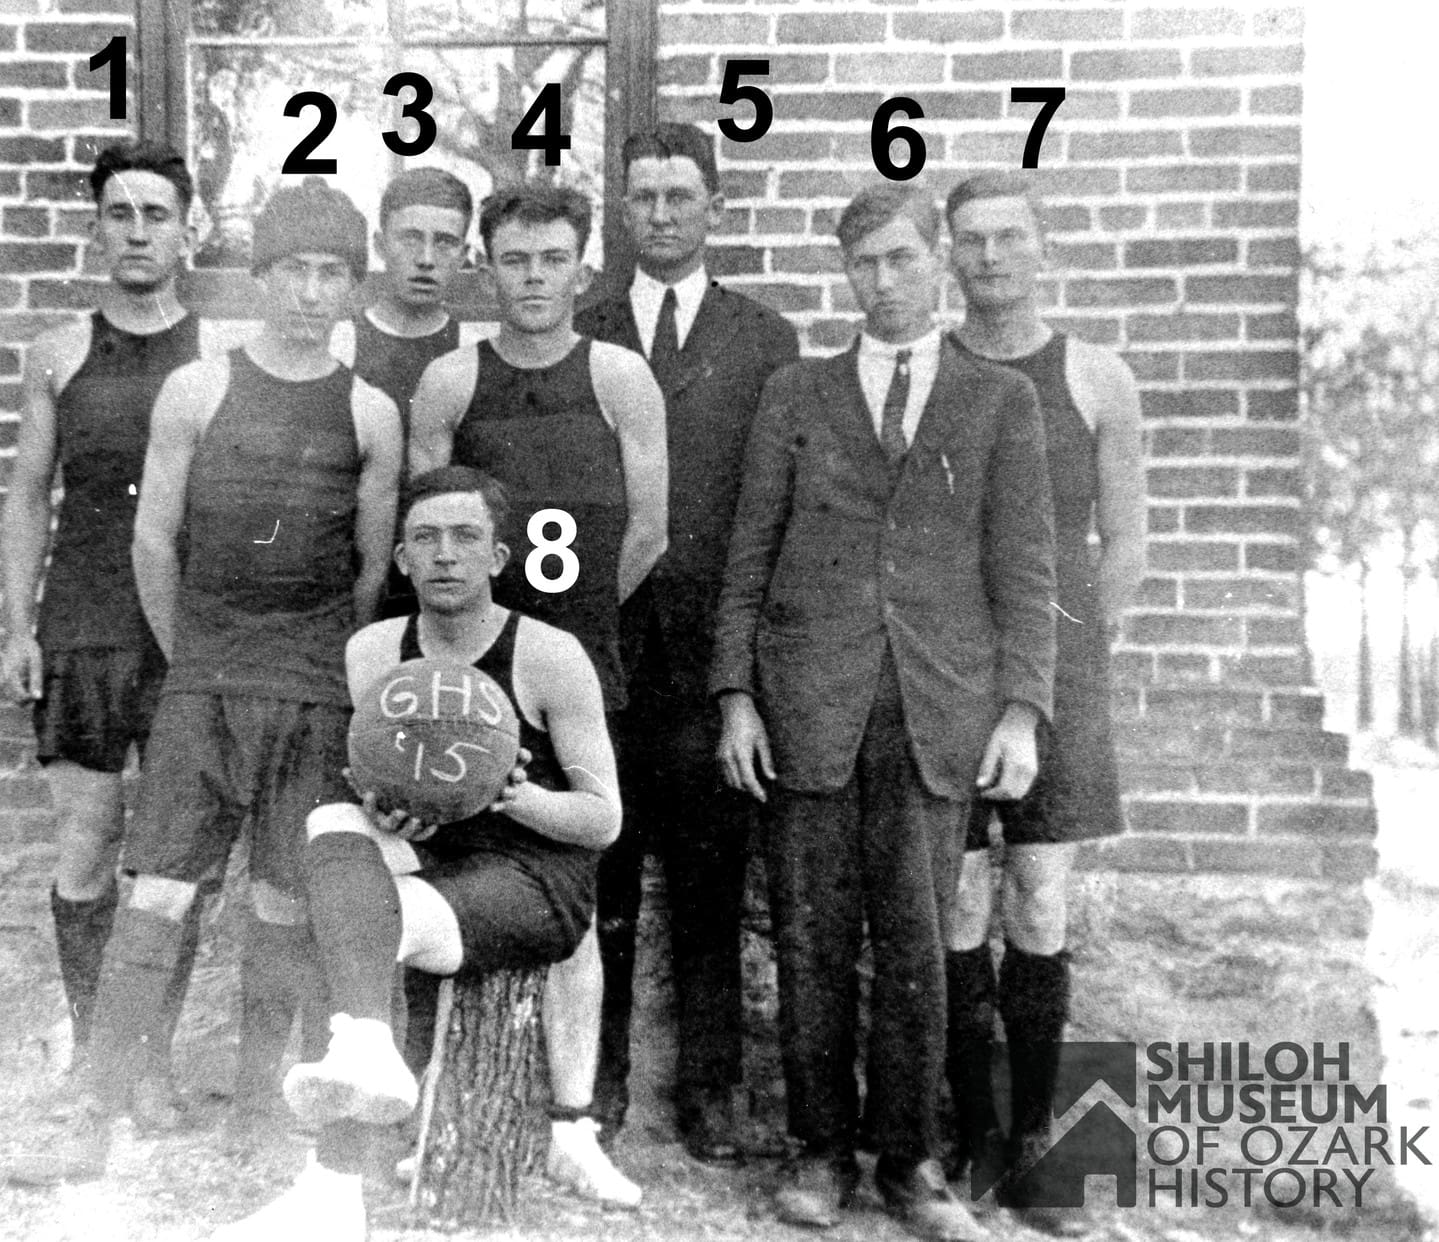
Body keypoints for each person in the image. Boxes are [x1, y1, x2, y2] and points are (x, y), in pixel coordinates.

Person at [4, 176, 404, 1184]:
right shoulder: (200, 388)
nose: (311, 292)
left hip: (311, 692)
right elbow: (152, 541)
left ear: (353, 288)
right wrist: (193, 660)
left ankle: (258, 1115)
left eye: (332, 274)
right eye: (293, 270)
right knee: (158, 897)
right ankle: (93, 1112)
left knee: (282, 905)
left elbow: (368, 568)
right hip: (205, 682)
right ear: (260, 277)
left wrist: (317, 667)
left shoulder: (369, 411)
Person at [712, 182, 1057, 1242]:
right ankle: (819, 1151)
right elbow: (748, 553)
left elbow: (1025, 569)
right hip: (808, 704)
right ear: (844, 274)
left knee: (918, 945)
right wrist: (735, 697)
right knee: (811, 939)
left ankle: (908, 1163)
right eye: (864, 263)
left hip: (934, 711)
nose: (884, 281)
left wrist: (1019, 713)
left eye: (904, 258)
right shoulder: (796, 393)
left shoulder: (998, 400)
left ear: (938, 264)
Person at [209, 466, 636, 1239]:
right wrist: (390, 806)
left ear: (498, 557)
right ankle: (367, 1051)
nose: (444, 554)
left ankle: (331, 1186)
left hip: (532, 878)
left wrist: (512, 795)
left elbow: (602, 820)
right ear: (401, 559)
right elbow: (387, 781)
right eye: (425, 539)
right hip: (436, 862)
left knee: (360, 925)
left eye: (465, 537)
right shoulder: (375, 649)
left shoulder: (548, 654)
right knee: (334, 821)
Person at [408, 182, 665, 1191]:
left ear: (582, 270)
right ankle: (445, 1103)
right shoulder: (450, 381)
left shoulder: (618, 376)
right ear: (486, 268)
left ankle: (582, 1114)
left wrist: (564, 640)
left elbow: (646, 533)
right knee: (453, 869)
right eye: (513, 259)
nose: (533, 278)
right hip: (472, 672)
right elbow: (427, 527)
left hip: (577, 667)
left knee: (582, 891)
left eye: (552, 259)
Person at [575, 122, 799, 1157]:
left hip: (710, 656)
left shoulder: (762, 339)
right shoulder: (582, 326)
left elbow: (773, 505)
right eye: (642, 197)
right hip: (603, 649)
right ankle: (596, 1082)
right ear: (620, 210)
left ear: (715, 205)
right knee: (601, 872)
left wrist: (742, 671)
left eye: (678, 196)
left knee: (711, 877)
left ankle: (711, 1094)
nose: (659, 215)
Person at [941, 172, 1145, 1235]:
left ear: (1042, 248)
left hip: (1055, 674)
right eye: (969, 240)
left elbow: (1123, 545)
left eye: (1008, 238)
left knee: (1038, 899)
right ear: (948, 254)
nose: (988, 258)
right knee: (956, 901)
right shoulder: (930, 369)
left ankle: (1037, 1147)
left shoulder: (1094, 376)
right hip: (949, 671)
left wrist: (1065, 659)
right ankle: (968, 1137)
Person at [0, 140, 204, 1129]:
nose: (137, 232)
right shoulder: (58, 351)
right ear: (95, 230)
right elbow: (28, 495)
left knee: (170, 855)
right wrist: (17, 628)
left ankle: (151, 1062)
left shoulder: (218, 352)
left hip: (182, 632)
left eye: (156, 214)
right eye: (119, 214)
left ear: (188, 231)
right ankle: (94, 1052)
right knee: (86, 847)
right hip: (82, 623)